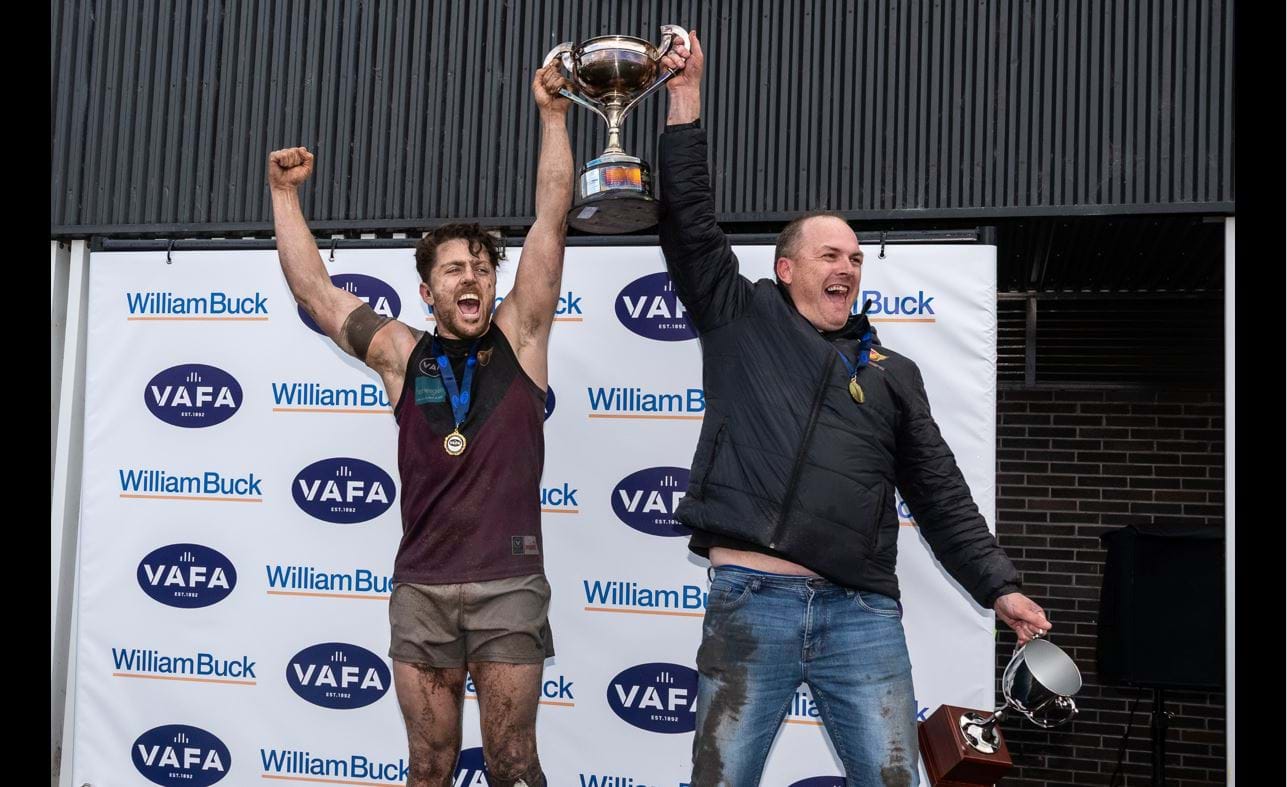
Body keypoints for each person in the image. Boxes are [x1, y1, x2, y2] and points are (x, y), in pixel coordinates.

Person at [655, 33, 1053, 785]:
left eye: (854, 258)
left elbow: (938, 491)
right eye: (828, 254)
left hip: (860, 616)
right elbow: (687, 221)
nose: (845, 266)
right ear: (785, 267)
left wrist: (998, 582)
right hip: (752, 604)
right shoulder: (739, 318)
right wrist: (684, 96)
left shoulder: (893, 372)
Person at [267, 64, 573, 787]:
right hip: (422, 589)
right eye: (454, 269)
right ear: (426, 287)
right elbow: (313, 290)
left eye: (481, 269)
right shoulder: (403, 354)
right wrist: (283, 195)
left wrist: (553, 117)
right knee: (429, 765)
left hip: (507, 584)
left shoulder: (522, 337)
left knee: (514, 762)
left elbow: (552, 217)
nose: (471, 279)